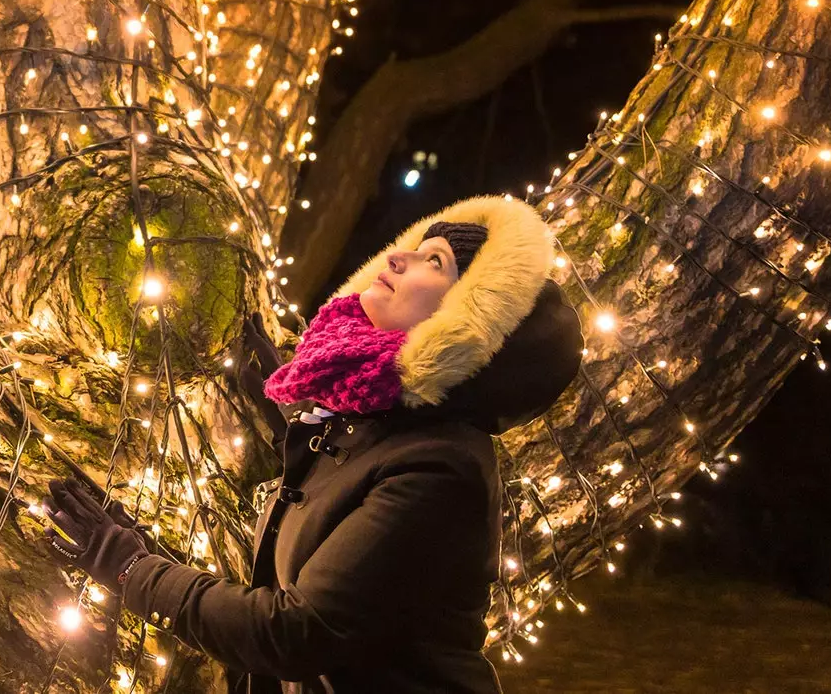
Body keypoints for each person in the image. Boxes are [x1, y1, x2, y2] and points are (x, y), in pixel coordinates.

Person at [43, 194, 584, 694]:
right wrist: (293, 410)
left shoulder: (442, 467)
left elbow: (295, 632)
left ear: (471, 321)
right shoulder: (381, 418)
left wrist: (128, 566)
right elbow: (347, 480)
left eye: (434, 261)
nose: (397, 258)